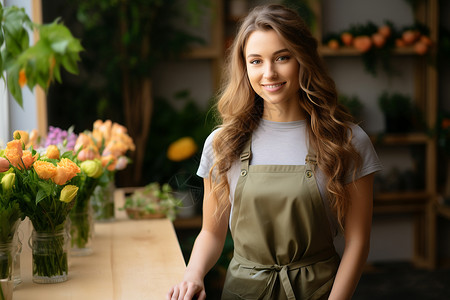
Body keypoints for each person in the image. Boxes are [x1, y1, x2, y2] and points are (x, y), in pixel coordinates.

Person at [167, 4, 382, 300]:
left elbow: (358, 242)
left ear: (303, 59)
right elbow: (212, 233)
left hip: (320, 292)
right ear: (244, 67)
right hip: (243, 292)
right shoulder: (223, 142)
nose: (269, 73)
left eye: (282, 57)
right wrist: (193, 276)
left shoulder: (346, 140)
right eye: (256, 61)